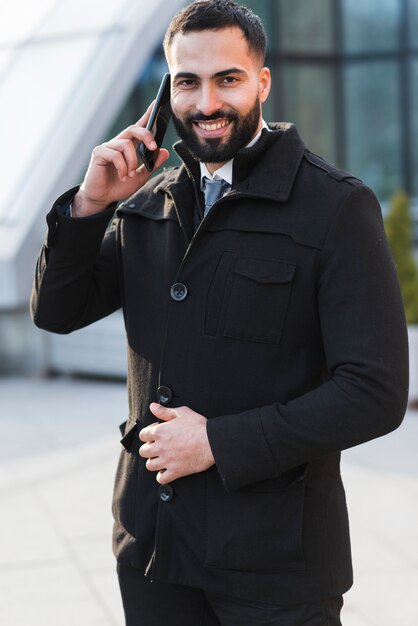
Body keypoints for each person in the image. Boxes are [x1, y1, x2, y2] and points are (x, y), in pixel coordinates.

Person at [30, 1, 409, 624]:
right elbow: (57, 312)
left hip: (275, 567)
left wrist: (217, 443)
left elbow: (375, 391)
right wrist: (90, 204)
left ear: (262, 81)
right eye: (187, 81)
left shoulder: (337, 207)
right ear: (167, 90)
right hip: (154, 552)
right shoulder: (146, 200)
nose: (206, 102)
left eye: (227, 79)